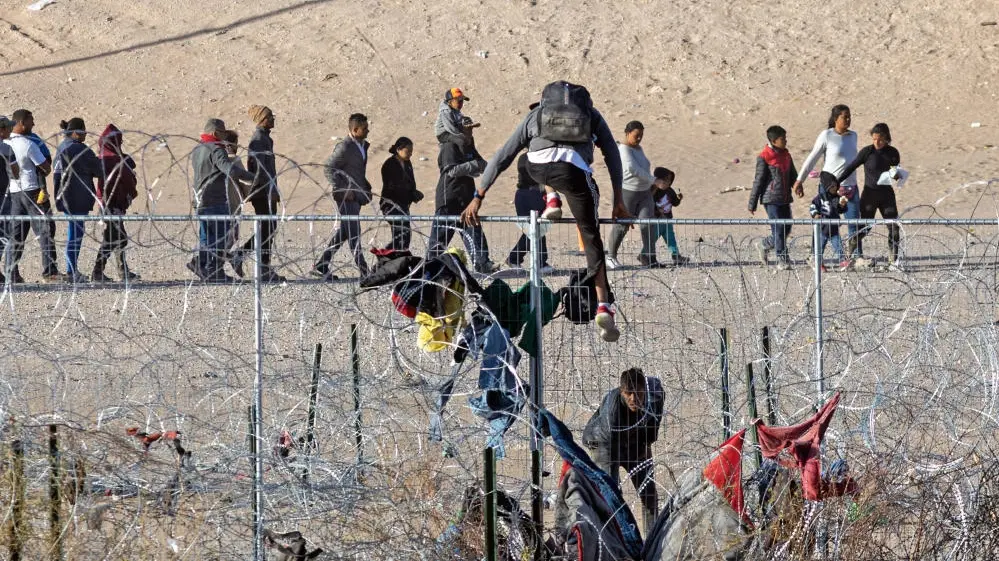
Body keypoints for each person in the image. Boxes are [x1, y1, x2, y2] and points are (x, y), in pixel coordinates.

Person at [460, 81, 630, 343]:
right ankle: (603, 305)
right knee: (590, 234)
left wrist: (478, 195)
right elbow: (612, 155)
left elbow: (503, 155)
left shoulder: (535, 116)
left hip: (536, 166)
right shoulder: (591, 115)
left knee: (537, 159)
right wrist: (619, 199)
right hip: (573, 172)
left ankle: (551, 199)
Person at [582, 367, 664, 537]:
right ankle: (618, 541)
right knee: (611, 496)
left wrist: (645, 444)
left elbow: (653, 427)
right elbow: (612, 444)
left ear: (645, 390)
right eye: (628, 393)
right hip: (604, 443)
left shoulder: (655, 394)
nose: (634, 399)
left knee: (649, 493)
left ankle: (652, 541)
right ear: (621, 392)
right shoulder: (612, 413)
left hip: (634, 441)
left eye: (638, 393)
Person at [426, 116, 497, 273]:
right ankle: (429, 267)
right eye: (468, 128)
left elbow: (483, 164)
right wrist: (474, 165)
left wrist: (479, 165)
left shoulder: (468, 145)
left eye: (472, 128)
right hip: (449, 197)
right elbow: (451, 170)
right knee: (440, 236)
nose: (471, 131)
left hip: (466, 197)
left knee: (473, 229)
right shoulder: (449, 146)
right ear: (458, 129)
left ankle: (482, 264)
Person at [794, 105, 864, 262]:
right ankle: (815, 256)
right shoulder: (827, 135)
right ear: (835, 118)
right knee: (825, 224)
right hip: (830, 189)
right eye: (844, 116)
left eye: (849, 116)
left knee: (854, 223)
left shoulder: (853, 136)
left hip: (851, 187)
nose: (848, 119)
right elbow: (812, 158)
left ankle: (856, 257)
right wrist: (800, 180)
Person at [189, 118, 254, 282]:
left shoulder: (197, 149)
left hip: (200, 199)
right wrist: (253, 177)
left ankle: (202, 265)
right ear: (214, 132)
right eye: (222, 132)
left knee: (206, 237)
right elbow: (229, 170)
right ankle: (214, 270)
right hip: (215, 199)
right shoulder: (216, 149)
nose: (224, 135)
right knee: (221, 236)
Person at [312, 113, 372, 280]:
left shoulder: (361, 146)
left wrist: (366, 186)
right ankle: (365, 271)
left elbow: (356, 171)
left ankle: (322, 264)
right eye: (365, 128)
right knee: (354, 232)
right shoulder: (345, 147)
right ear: (355, 129)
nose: (368, 131)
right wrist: (343, 189)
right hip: (346, 198)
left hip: (356, 197)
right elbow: (328, 168)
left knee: (345, 232)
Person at [837, 123, 903, 271]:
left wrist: (898, 176)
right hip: (869, 194)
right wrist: (837, 181)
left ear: (886, 138)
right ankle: (848, 256)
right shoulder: (867, 152)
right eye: (874, 139)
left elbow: (895, 172)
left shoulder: (893, 152)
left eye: (880, 139)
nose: (876, 142)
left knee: (894, 228)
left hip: (887, 195)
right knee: (865, 228)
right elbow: (851, 167)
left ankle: (894, 261)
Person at [3, 109, 58, 283]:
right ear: (21, 123)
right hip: (33, 191)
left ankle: (12, 272)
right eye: (30, 120)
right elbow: (46, 167)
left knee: (16, 234)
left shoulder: (6, 143)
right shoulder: (28, 144)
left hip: (13, 193)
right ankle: (50, 271)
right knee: (45, 229)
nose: (33, 124)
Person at [606, 121, 663, 268]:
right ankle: (611, 256)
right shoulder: (623, 149)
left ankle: (650, 258)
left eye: (641, 136)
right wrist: (654, 180)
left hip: (644, 193)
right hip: (627, 192)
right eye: (637, 135)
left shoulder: (639, 149)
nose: (639, 139)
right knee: (622, 226)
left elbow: (644, 168)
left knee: (648, 224)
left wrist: (651, 183)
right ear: (627, 133)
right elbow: (633, 169)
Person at [53, 117, 103, 283]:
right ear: (75, 132)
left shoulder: (61, 147)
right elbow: (99, 170)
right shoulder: (79, 149)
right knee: (76, 235)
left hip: (65, 196)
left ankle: (71, 269)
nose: (86, 134)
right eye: (83, 131)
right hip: (78, 197)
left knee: (72, 233)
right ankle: (71, 271)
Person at [242, 105, 286, 283]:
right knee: (266, 229)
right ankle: (262, 268)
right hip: (262, 193)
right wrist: (270, 191)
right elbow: (260, 171)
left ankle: (245, 258)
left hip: (266, 191)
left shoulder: (265, 139)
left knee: (267, 229)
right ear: (262, 119)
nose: (273, 119)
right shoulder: (259, 140)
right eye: (270, 116)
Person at [748, 125, 802, 270]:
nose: (785, 140)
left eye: (785, 137)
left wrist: (797, 186)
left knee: (787, 227)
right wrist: (752, 202)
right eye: (782, 138)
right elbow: (758, 180)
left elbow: (792, 174)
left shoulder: (786, 154)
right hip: (770, 199)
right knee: (778, 228)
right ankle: (782, 259)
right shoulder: (764, 157)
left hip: (784, 198)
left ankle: (764, 244)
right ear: (773, 140)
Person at [93, 123, 140, 282]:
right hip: (112, 204)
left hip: (106, 203)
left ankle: (121, 270)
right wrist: (132, 193)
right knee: (116, 237)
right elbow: (127, 179)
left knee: (115, 237)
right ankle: (99, 271)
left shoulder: (102, 158)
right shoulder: (114, 159)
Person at [506, 152, 553, 273]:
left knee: (537, 229)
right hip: (529, 194)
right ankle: (517, 259)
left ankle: (538, 261)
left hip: (533, 193)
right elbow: (536, 175)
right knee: (533, 229)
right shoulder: (528, 157)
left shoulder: (533, 156)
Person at [379, 136, 423, 251]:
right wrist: (409, 193)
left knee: (405, 236)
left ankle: (396, 257)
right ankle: (385, 256)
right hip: (391, 205)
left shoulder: (407, 163)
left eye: (411, 152)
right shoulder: (390, 164)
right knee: (400, 236)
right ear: (399, 149)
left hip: (403, 205)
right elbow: (393, 187)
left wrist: (414, 192)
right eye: (408, 151)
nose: (410, 154)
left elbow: (410, 182)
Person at [219, 129, 250, 277]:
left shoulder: (218, 159)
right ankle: (227, 259)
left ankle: (225, 260)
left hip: (220, 202)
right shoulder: (234, 160)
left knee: (222, 235)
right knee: (231, 235)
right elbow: (245, 181)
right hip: (233, 202)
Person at [809, 172, 850, 272]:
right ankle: (818, 263)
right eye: (832, 186)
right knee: (819, 247)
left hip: (834, 229)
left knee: (838, 245)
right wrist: (815, 215)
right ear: (827, 186)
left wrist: (843, 205)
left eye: (836, 186)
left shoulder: (837, 197)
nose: (835, 188)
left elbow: (841, 210)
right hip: (822, 229)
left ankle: (843, 261)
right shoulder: (820, 198)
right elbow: (812, 206)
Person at [650, 167, 689, 266]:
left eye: (670, 180)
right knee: (652, 238)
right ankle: (644, 254)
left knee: (671, 238)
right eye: (666, 179)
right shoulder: (654, 191)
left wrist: (679, 199)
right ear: (658, 179)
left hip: (667, 219)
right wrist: (657, 210)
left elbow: (674, 203)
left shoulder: (670, 191)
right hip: (657, 221)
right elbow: (649, 204)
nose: (668, 182)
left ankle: (676, 256)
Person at [0, 116, 22, 284]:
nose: (10, 130)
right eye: (8, 127)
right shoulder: (6, 149)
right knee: (5, 234)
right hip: (2, 198)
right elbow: (15, 173)